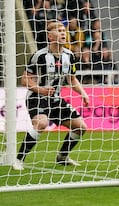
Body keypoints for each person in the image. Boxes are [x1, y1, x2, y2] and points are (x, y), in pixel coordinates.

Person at [13, 20, 90, 171]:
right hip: (37, 99)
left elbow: (71, 79)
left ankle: (62, 157)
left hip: (55, 99)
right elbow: (25, 79)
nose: (63, 33)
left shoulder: (69, 55)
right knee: (41, 124)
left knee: (80, 127)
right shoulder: (39, 56)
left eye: (64, 30)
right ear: (50, 36)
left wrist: (83, 93)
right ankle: (19, 159)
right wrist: (40, 90)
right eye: (59, 30)